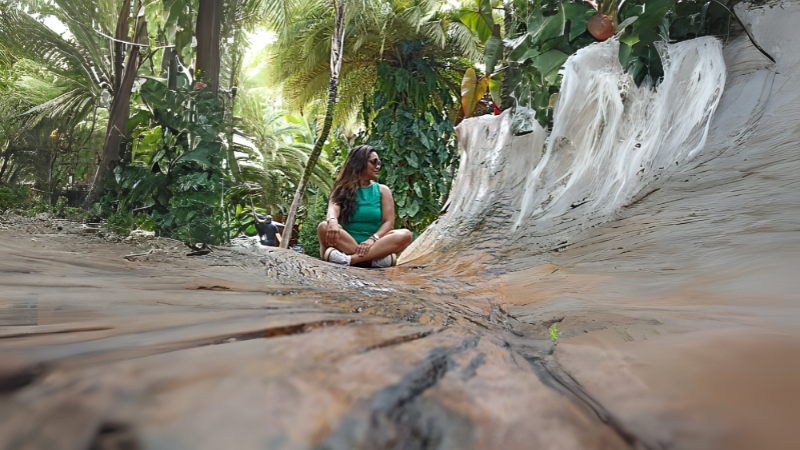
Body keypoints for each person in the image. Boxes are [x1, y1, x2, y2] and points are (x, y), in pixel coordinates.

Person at [318, 145, 412, 267]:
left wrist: (372, 240)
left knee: (405, 234)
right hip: (345, 245)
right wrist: (332, 221)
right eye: (374, 162)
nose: (377, 166)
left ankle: (350, 260)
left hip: (375, 245)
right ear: (359, 163)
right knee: (324, 227)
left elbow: (388, 223)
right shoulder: (341, 189)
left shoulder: (383, 190)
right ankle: (373, 261)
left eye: (379, 162)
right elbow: (332, 209)